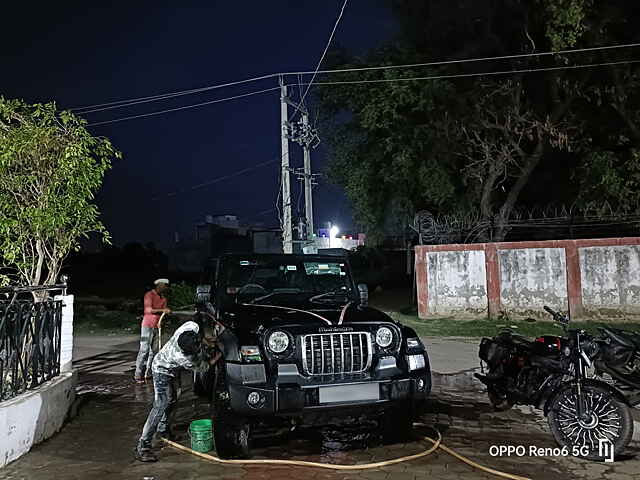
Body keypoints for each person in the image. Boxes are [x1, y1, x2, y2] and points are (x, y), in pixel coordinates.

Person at [135, 321, 221, 462]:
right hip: (161, 370)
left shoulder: (191, 326)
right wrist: (217, 356)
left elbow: (200, 336)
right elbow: (204, 367)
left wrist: (209, 342)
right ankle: (143, 445)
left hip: (173, 370)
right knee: (160, 405)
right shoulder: (184, 358)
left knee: (173, 399)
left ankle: (164, 430)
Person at [134, 278, 171, 383]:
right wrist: (163, 310)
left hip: (157, 327)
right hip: (147, 326)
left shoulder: (164, 298)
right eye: (164, 285)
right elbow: (148, 310)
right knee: (144, 350)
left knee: (154, 352)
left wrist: (165, 314)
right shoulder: (149, 295)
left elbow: (163, 313)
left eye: (166, 286)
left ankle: (149, 373)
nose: (165, 288)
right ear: (159, 285)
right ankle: (138, 374)